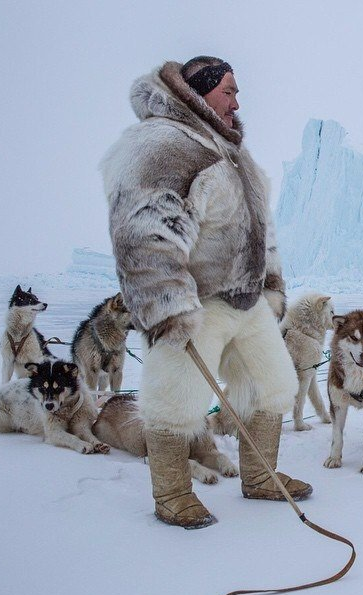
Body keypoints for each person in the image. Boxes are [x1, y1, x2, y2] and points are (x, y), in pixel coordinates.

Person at [100, 56, 312, 529]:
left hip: (247, 301)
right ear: (199, 93)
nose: (237, 102)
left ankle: (260, 476)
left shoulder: (234, 154)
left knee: (273, 386)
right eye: (229, 91)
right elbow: (144, 234)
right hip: (197, 305)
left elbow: (264, 234)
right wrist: (167, 306)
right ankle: (172, 495)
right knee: (176, 404)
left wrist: (272, 287)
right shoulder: (163, 144)